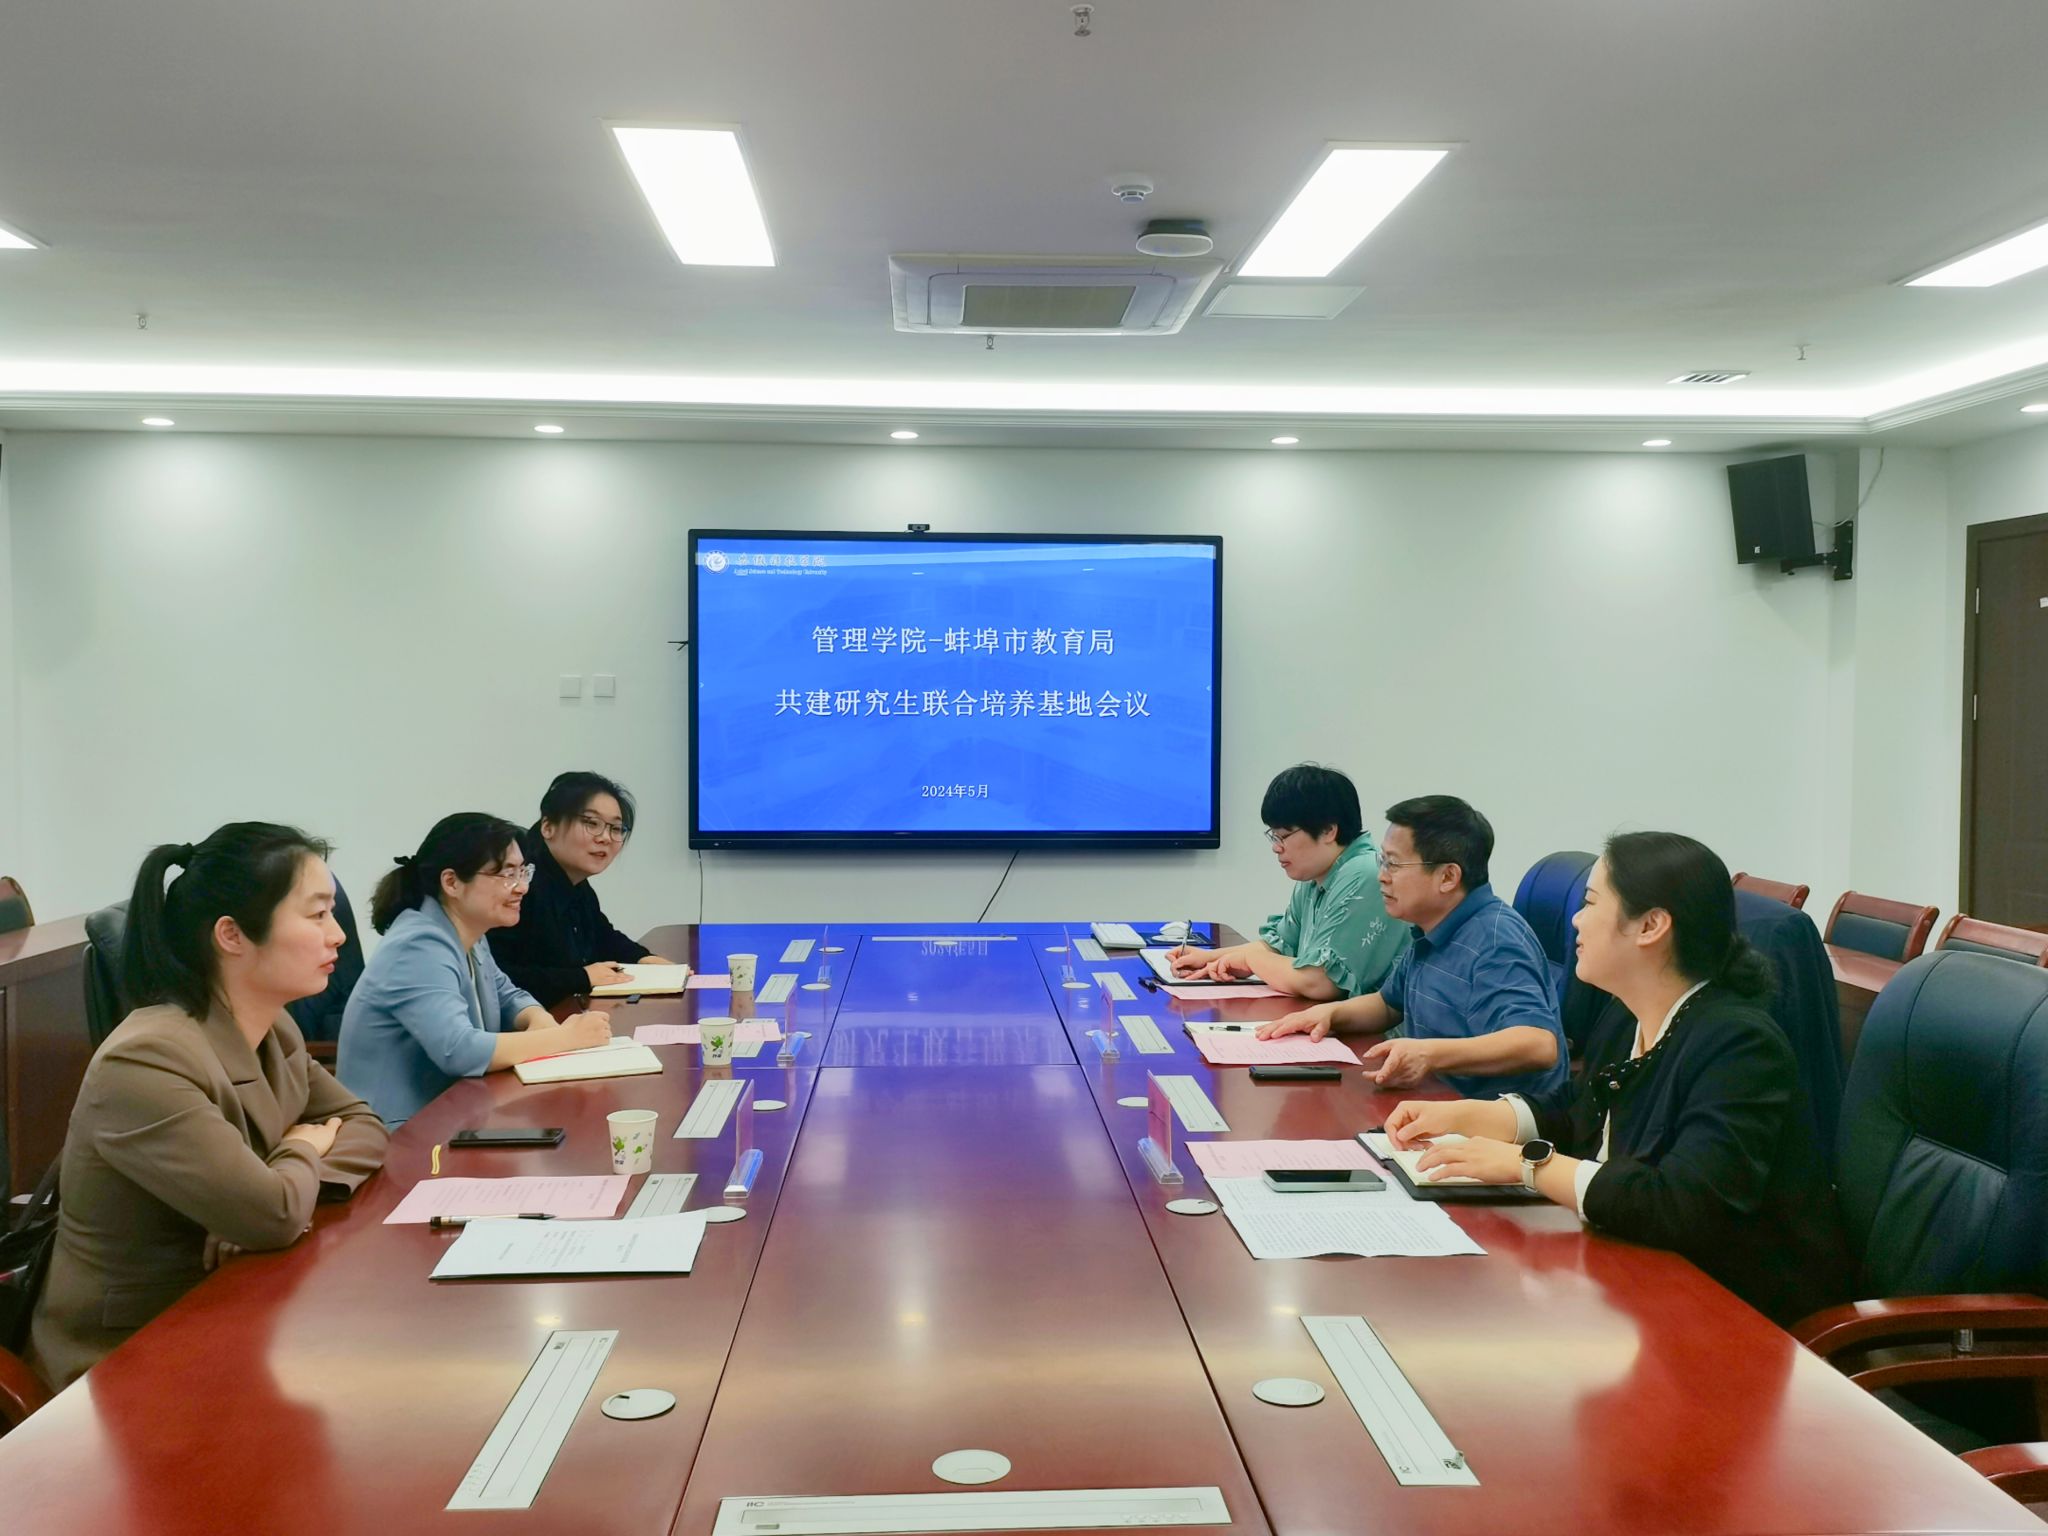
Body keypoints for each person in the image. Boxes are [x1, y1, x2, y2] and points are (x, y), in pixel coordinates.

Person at [1386, 831, 1854, 1326]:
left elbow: (1681, 1203)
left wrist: (1526, 1165)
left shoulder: (1739, 1045)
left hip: (1735, 1313)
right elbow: (1577, 1111)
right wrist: (1468, 1116)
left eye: (1591, 903)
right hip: (1632, 1276)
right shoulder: (1629, 1013)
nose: (1576, 919)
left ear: (1650, 926)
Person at [28, 824, 389, 1389]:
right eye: (318, 914)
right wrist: (297, 1152)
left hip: (238, 1308)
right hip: (128, 1357)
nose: (338, 934)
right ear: (232, 935)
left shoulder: (274, 1027)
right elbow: (271, 1215)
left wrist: (284, 1190)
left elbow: (362, 1125)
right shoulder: (146, 1060)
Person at [1257, 795, 1567, 1102]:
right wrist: (1328, 1014)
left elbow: (1538, 1044)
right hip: (1436, 1100)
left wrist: (1428, 1053)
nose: (1382, 877)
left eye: (1393, 864)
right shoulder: (1433, 927)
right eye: (1382, 861)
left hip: (1493, 1120)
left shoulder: (1495, 941)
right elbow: (1388, 1005)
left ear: (1448, 877)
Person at [338, 813, 611, 1127]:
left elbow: (507, 994)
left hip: (454, 1115)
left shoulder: (470, 932)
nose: (522, 888)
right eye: (507, 874)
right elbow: (458, 1049)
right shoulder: (418, 945)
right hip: (395, 1133)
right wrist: (565, 1038)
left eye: (523, 872)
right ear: (452, 882)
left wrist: (538, 1018)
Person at [1169, 764, 1408, 999]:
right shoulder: (1317, 873)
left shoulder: (1364, 872)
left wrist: (1251, 960)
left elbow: (1320, 982)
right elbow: (1279, 945)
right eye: (1273, 836)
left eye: (1283, 836)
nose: (1276, 847)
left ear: (1328, 831)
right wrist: (1210, 958)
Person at [488, 772, 675, 1008]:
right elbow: (497, 977)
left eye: (616, 828)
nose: (605, 838)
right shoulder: (520, 884)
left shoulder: (574, 882)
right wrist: (581, 978)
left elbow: (602, 936)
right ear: (548, 827)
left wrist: (645, 959)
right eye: (591, 823)